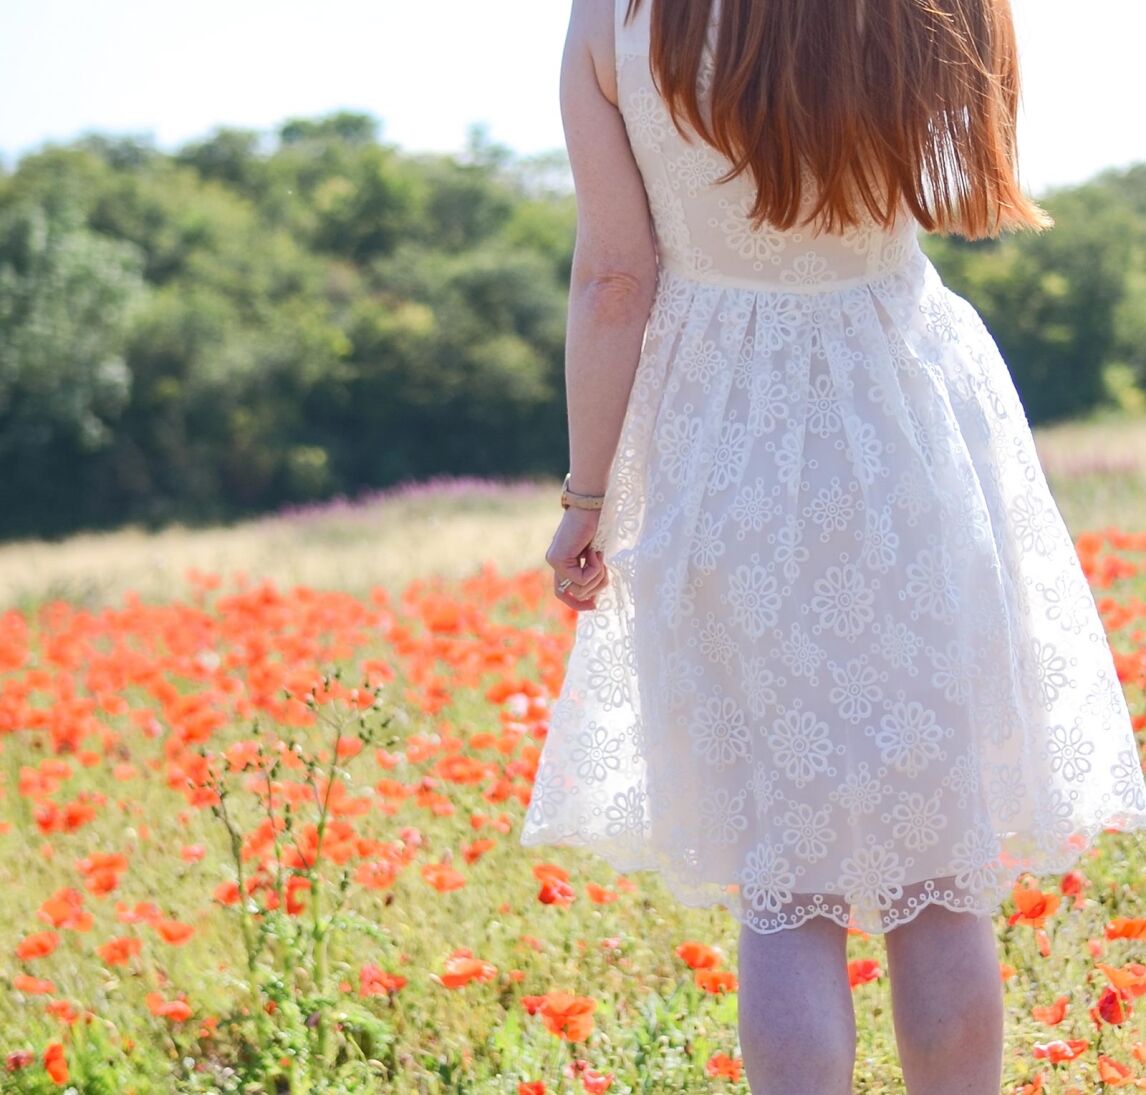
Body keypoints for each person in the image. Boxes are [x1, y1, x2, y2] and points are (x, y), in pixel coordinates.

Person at [520, 0, 1146, 1092]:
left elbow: (614, 279)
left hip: (719, 438)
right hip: (902, 408)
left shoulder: (609, 16)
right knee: (942, 872)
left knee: (786, 890)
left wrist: (587, 494)